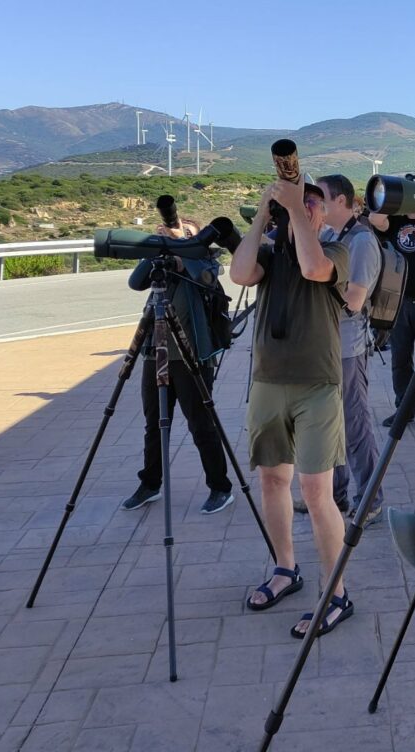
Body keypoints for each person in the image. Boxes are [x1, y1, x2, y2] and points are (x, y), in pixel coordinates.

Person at [230, 174, 354, 639]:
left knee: (317, 492)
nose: (303, 207)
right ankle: (286, 568)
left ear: (322, 213)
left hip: (317, 385)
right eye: (297, 203)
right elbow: (240, 274)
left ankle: (336, 592)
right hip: (268, 381)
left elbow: (311, 268)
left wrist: (297, 213)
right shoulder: (267, 254)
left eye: (312, 202)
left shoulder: (334, 252)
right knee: (272, 480)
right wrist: (265, 210)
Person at [121, 218, 234, 515]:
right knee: (155, 423)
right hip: (155, 354)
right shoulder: (162, 265)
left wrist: (183, 250)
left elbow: (208, 281)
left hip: (192, 356)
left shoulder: (205, 264)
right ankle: (150, 483)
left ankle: (220, 487)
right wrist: (158, 250)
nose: (177, 236)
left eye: (186, 234)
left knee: (200, 424)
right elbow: (135, 282)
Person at [317, 173, 384, 523]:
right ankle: (337, 494)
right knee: (332, 424)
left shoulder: (361, 241)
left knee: (355, 424)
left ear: (342, 200)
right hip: (328, 345)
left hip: (348, 346)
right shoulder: (331, 234)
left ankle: (371, 498)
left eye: (322, 198)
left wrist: (313, 294)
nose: (317, 204)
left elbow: (355, 300)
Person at [369, 182, 415, 430]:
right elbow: (375, 217)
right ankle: (404, 409)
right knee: (400, 359)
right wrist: (395, 198)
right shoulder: (395, 221)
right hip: (399, 301)